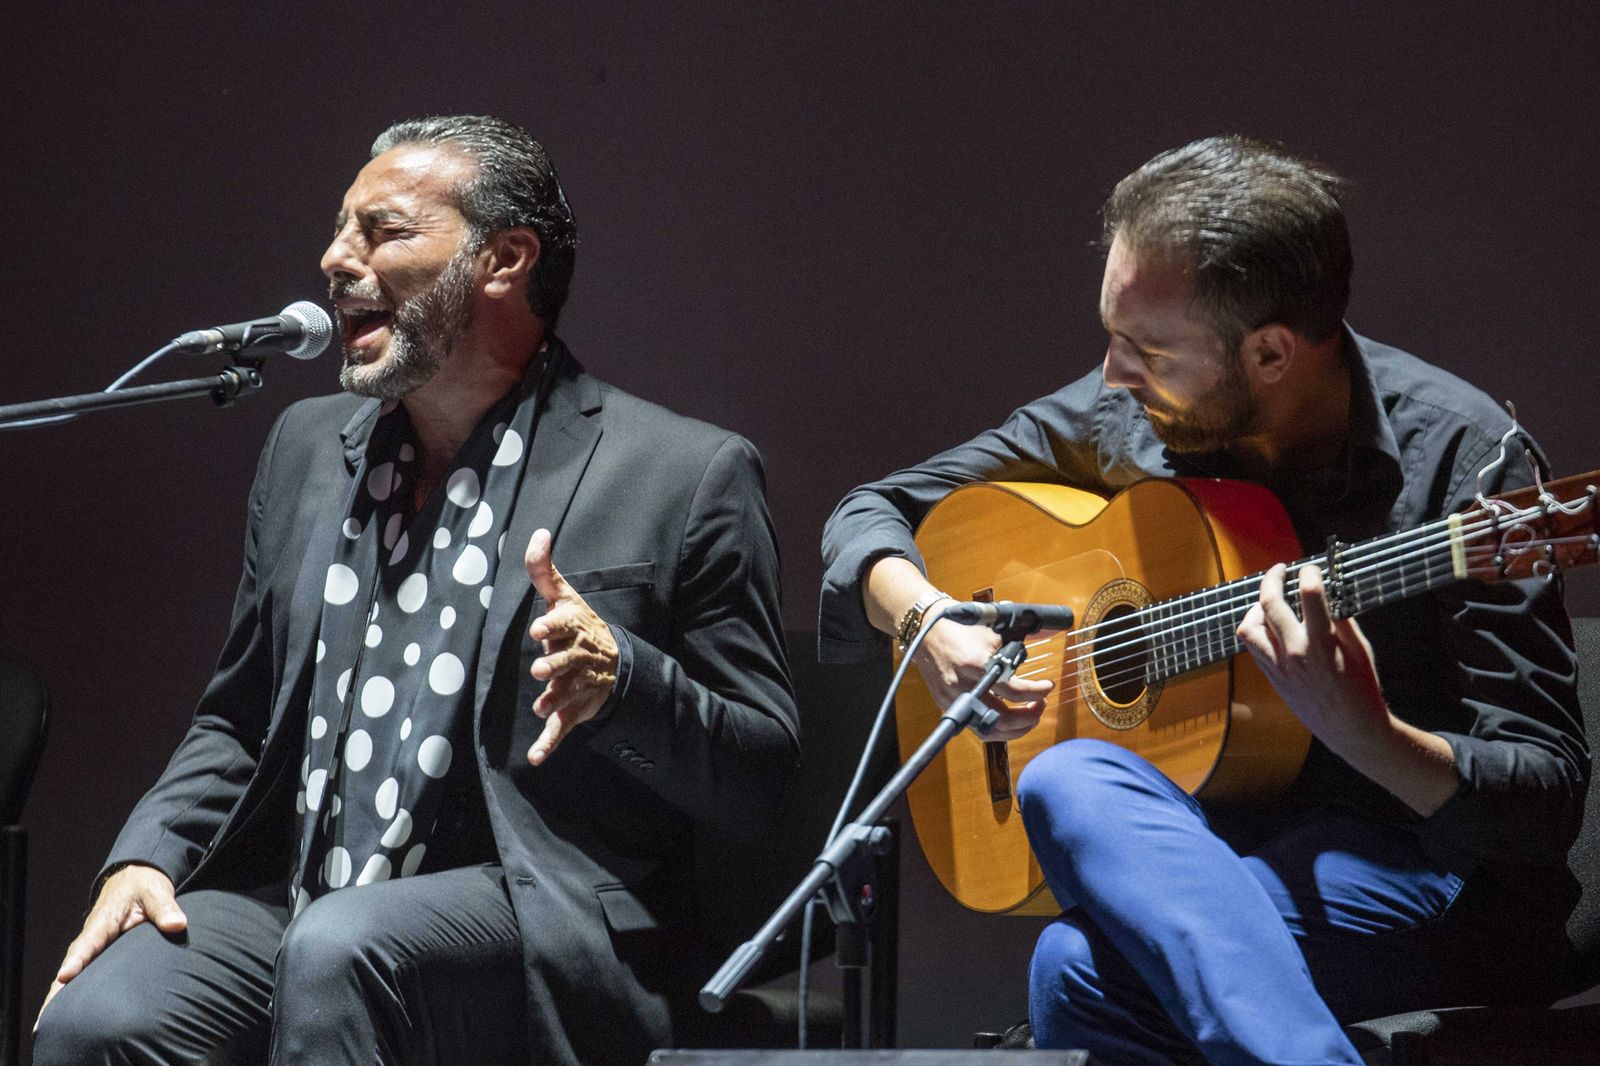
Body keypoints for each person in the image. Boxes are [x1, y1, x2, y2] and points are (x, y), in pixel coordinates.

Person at [35, 114, 799, 1066]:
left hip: (538, 918)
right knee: (99, 1020)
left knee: (343, 951)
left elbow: (761, 776)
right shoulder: (306, 448)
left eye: (382, 231)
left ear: (503, 260)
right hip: (307, 901)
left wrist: (624, 684)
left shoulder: (683, 473)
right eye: (338, 230)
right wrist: (148, 853)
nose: (334, 260)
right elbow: (238, 715)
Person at [820, 136, 1587, 1064]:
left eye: (1145, 349)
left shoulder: (1468, 463)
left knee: (1073, 968)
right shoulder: (1128, 413)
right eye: (1112, 337)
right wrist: (926, 619)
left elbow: (1547, 803)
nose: (1113, 375)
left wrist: (1367, 732)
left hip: (1430, 881)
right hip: (1216, 859)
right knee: (1063, 779)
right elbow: (874, 512)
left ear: (1270, 352)